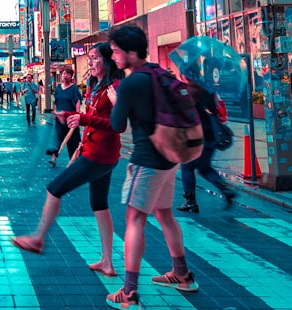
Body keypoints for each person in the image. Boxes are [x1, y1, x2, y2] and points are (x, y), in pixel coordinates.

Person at [12, 42, 122, 277]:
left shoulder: (114, 88)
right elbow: (92, 116)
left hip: (99, 154)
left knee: (55, 188)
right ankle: (107, 262)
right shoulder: (96, 86)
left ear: (108, 60)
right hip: (99, 151)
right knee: (99, 205)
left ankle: (38, 238)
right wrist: (71, 115)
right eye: (89, 58)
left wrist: (83, 120)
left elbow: (117, 125)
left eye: (95, 58)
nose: (90, 62)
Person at [106, 25, 198, 306]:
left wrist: (116, 102)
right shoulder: (159, 72)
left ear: (131, 52)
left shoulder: (131, 83)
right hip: (170, 157)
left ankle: (129, 292)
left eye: (116, 52)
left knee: (134, 220)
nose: (113, 57)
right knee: (164, 214)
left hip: (147, 160)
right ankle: (182, 274)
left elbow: (117, 125)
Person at [176, 81, 237, 212]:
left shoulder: (188, 93)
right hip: (211, 136)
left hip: (195, 137)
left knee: (187, 168)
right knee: (204, 168)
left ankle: (190, 201)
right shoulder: (209, 93)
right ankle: (224, 189)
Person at [50, 69, 82, 155]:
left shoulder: (74, 88)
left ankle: (74, 159)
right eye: (64, 74)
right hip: (59, 119)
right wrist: (55, 112)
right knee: (56, 141)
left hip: (71, 119)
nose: (65, 75)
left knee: (73, 142)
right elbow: (56, 101)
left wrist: (77, 115)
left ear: (71, 76)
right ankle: (54, 158)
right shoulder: (58, 88)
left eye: (68, 74)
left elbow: (78, 101)